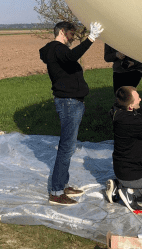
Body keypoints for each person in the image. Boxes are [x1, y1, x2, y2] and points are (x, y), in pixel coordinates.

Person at [39, 20, 104, 206]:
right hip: (68, 103)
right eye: (71, 33)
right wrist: (91, 38)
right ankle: (57, 192)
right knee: (66, 147)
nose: (73, 37)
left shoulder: (58, 51)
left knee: (68, 146)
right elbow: (72, 56)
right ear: (61, 32)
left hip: (72, 102)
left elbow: (69, 58)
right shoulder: (56, 48)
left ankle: (62, 184)